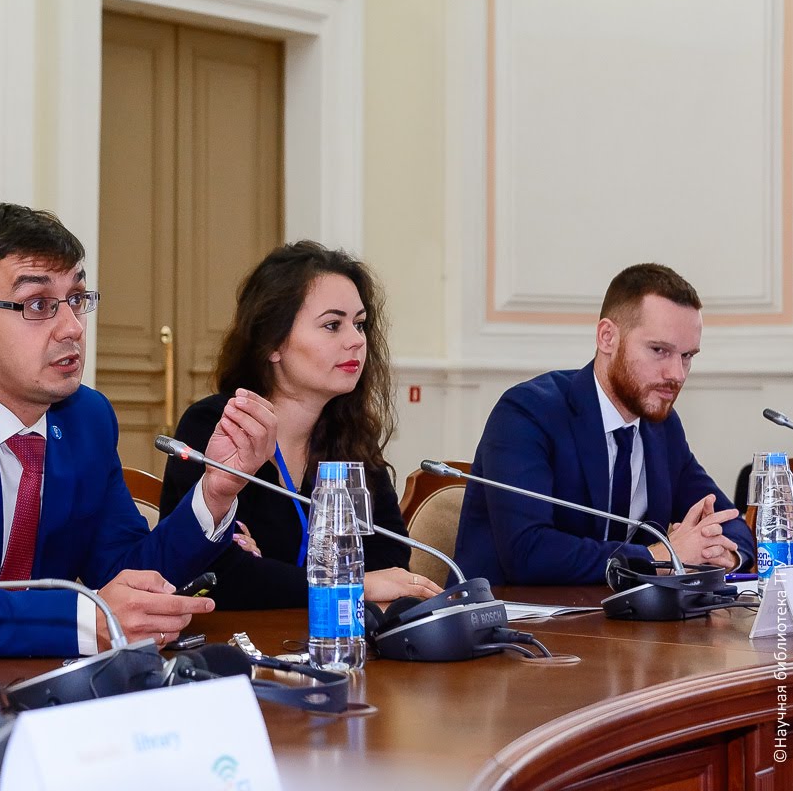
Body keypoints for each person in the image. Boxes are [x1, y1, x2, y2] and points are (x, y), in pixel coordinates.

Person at [0, 203, 277, 657]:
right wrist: (81, 620)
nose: (72, 328)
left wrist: (215, 492)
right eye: (38, 305)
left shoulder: (87, 419)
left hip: (51, 682)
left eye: (77, 299)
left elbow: (126, 573)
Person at [159, 241, 444, 609]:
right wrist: (351, 583)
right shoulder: (220, 425)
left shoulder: (350, 436)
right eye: (332, 325)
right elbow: (219, 575)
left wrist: (276, 574)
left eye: (359, 324)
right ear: (273, 343)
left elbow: (389, 561)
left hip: (328, 636)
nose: (356, 341)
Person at [454, 263, 754, 585]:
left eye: (687, 356)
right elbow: (528, 552)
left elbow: (730, 522)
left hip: (616, 613)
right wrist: (658, 557)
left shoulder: (662, 428)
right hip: (509, 611)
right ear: (607, 337)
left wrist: (725, 553)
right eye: (659, 350)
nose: (677, 375)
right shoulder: (527, 413)